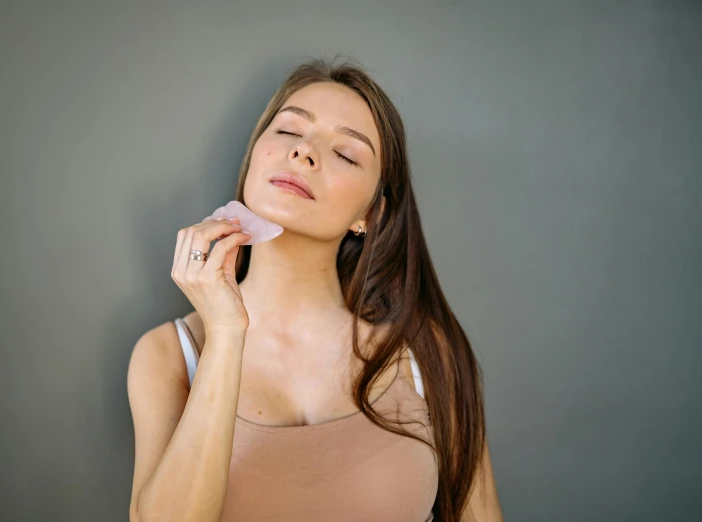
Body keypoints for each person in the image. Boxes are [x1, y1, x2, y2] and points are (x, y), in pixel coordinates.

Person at [127, 55, 504, 522]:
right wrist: (225, 333)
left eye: (346, 153)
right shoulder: (169, 356)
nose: (303, 152)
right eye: (288, 131)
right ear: (253, 159)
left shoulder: (426, 355)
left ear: (371, 215)